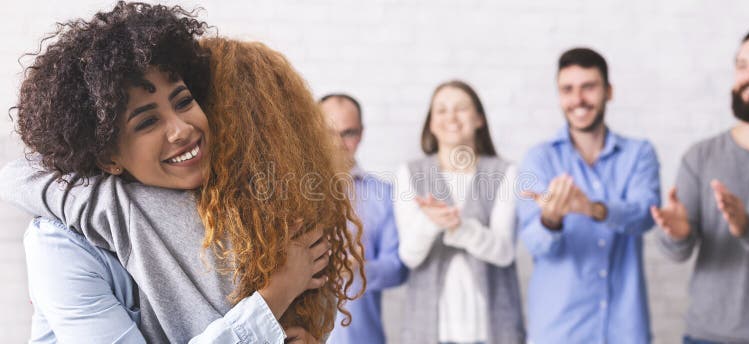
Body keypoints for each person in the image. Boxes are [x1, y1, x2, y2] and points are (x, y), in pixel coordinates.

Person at [1, 3, 362, 342]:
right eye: (147, 122)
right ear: (108, 157)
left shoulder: (232, 216)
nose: (181, 129)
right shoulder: (62, 242)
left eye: (184, 102)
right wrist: (274, 298)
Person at [652, 25, 749, 343]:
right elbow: (677, 252)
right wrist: (677, 234)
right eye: (742, 65)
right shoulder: (700, 156)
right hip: (707, 336)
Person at [516, 48, 660, 343]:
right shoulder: (539, 159)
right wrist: (551, 219)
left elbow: (646, 215)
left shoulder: (638, 154)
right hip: (558, 331)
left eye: (588, 87)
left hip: (625, 330)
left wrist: (594, 209)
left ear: (609, 91)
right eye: (567, 89)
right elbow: (535, 244)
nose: (578, 99)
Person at [394, 80, 524, 344]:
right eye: (441, 110)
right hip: (428, 331)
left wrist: (457, 227)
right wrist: (430, 224)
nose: (451, 117)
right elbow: (409, 256)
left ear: (479, 119)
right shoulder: (409, 173)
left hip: (493, 331)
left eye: (461, 108)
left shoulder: (504, 172)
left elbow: (504, 252)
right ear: (431, 123)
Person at [320, 93, 408, 344]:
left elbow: (399, 268)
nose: (337, 143)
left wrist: (361, 269)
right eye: (327, 132)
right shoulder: (289, 194)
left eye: (347, 133)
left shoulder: (384, 195)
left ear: (361, 134)